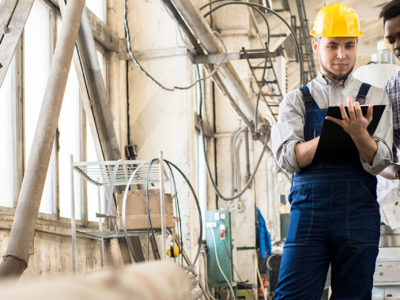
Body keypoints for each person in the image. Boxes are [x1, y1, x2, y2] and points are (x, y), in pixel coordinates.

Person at [270, 3, 393, 299]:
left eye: (349, 45)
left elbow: (382, 160)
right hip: (309, 211)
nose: (341, 55)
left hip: (358, 211)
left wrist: (359, 134)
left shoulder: (375, 97)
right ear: (316, 45)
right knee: (291, 295)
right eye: (332, 45)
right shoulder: (296, 101)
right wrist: (333, 133)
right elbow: (287, 158)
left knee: (354, 295)